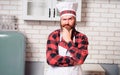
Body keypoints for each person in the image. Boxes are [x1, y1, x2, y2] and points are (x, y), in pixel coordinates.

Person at [46, 2, 89, 75]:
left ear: (75, 20)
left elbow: (81, 59)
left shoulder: (82, 37)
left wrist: (69, 41)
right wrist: (75, 60)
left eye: (70, 19)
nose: (67, 22)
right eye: (64, 19)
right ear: (60, 21)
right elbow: (51, 59)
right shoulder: (54, 35)